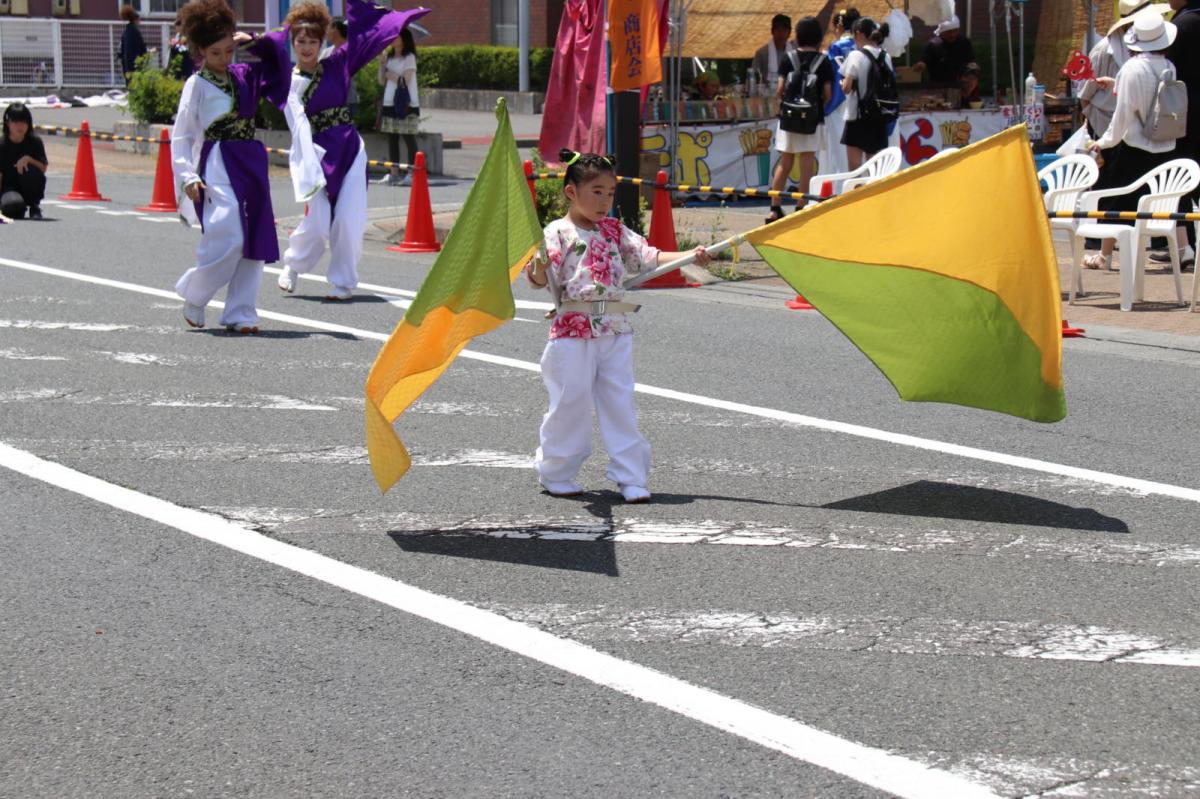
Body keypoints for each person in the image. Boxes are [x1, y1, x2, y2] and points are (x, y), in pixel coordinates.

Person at [524, 151, 711, 503]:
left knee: (620, 404)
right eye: (596, 191)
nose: (604, 200)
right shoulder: (556, 232)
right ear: (571, 192)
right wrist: (537, 265)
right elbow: (537, 278)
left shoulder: (614, 230)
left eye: (609, 193)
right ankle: (556, 472)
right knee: (569, 404)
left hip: (616, 328)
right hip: (572, 332)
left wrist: (691, 256)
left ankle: (631, 477)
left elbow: (648, 256)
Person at [277, 0, 428, 301]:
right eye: (300, 41)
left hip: (349, 150)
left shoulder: (337, 63)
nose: (306, 47)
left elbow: (364, 38)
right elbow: (297, 125)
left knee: (348, 219)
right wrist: (307, 164)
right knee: (318, 223)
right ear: (292, 43)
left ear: (323, 41)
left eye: (313, 41)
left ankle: (343, 282)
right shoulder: (290, 83)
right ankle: (293, 265)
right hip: (316, 155)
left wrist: (386, 17)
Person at [170, 0, 291, 333]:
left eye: (228, 50)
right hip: (218, 163)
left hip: (251, 162)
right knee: (229, 235)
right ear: (200, 50)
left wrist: (255, 42)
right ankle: (196, 293)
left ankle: (241, 313)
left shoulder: (245, 74)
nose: (224, 58)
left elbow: (280, 68)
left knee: (253, 238)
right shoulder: (196, 84)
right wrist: (187, 176)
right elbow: (182, 134)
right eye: (215, 53)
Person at [1084, 12, 1190, 270]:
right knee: (1170, 198)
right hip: (1165, 142)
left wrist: (1103, 142)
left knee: (1118, 201)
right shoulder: (1169, 66)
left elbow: (1122, 115)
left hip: (1134, 146)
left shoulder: (1130, 69)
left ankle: (1104, 256)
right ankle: (1184, 248)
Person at [767, 16, 834, 222]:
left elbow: (780, 90)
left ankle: (774, 208)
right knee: (807, 165)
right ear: (818, 37)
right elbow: (828, 94)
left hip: (788, 118)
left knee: (785, 162)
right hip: (812, 119)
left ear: (797, 36)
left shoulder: (788, 58)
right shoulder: (823, 61)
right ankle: (800, 207)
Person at [1165, 0, 1200, 263]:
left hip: (1184, 116)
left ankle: (1185, 246)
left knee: (1181, 179)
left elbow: (1168, 72)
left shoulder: (1182, 25)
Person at [840, 17, 893, 169]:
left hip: (857, 116)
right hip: (879, 115)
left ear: (858, 34)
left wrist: (843, 83)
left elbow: (846, 87)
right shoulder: (886, 56)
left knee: (854, 169)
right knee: (875, 168)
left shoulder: (855, 55)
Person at [377, 28, 420, 185]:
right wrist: (382, 65)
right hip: (389, 102)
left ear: (404, 39)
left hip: (407, 104)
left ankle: (412, 173)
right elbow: (381, 81)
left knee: (409, 138)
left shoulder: (409, 57)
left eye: (397, 36)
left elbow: (405, 80)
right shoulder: (388, 57)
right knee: (392, 138)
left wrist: (390, 74)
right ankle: (393, 173)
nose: (393, 38)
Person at [822, 7, 861, 175]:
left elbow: (831, 74)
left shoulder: (836, 47)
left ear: (839, 25)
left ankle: (840, 186)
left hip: (838, 102)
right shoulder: (862, 45)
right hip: (860, 101)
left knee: (839, 151)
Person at [0, 103, 48, 221]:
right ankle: (16, 206)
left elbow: (43, 168)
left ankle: (34, 206)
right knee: (13, 207)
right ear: (8, 123)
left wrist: (29, 159)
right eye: (15, 122)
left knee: (32, 170)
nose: (20, 126)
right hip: (8, 188)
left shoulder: (35, 141)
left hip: (27, 185)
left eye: (24, 122)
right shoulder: (2, 144)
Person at [913, 14, 975, 85]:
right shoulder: (933, 45)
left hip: (960, 85)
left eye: (955, 31)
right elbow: (924, 61)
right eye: (949, 31)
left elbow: (971, 61)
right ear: (941, 32)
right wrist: (921, 65)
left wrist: (972, 71)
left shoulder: (964, 42)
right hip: (938, 85)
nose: (952, 35)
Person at [323, 17, 360, 119]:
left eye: (328, 28)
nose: (326, 32)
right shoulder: (326, 52)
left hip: (346, 101)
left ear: (335, 29)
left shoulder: (351, 52)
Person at [752, 14, 795, 91]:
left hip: (791, 92)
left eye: (784, 30)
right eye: (777, 29)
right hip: (768, 93)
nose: (781, 33)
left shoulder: (795, 52)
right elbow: (754, 76)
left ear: (789, 32)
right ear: (772, 31)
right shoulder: (762, 53)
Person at [119, 5, 148, 86]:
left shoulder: (125, 32)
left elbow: (122, 50)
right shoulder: (135, 32)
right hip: (135, 65)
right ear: (135, 20)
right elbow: (141, 49)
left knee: (129, 86)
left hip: (126, 65)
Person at [166, 14, 195, 81]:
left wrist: (177, 43)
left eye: (178, 25)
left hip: (185, 61)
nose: (176, 28)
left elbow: (185, 46)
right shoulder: (178, 35)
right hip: (177, 61)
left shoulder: (187, 35)